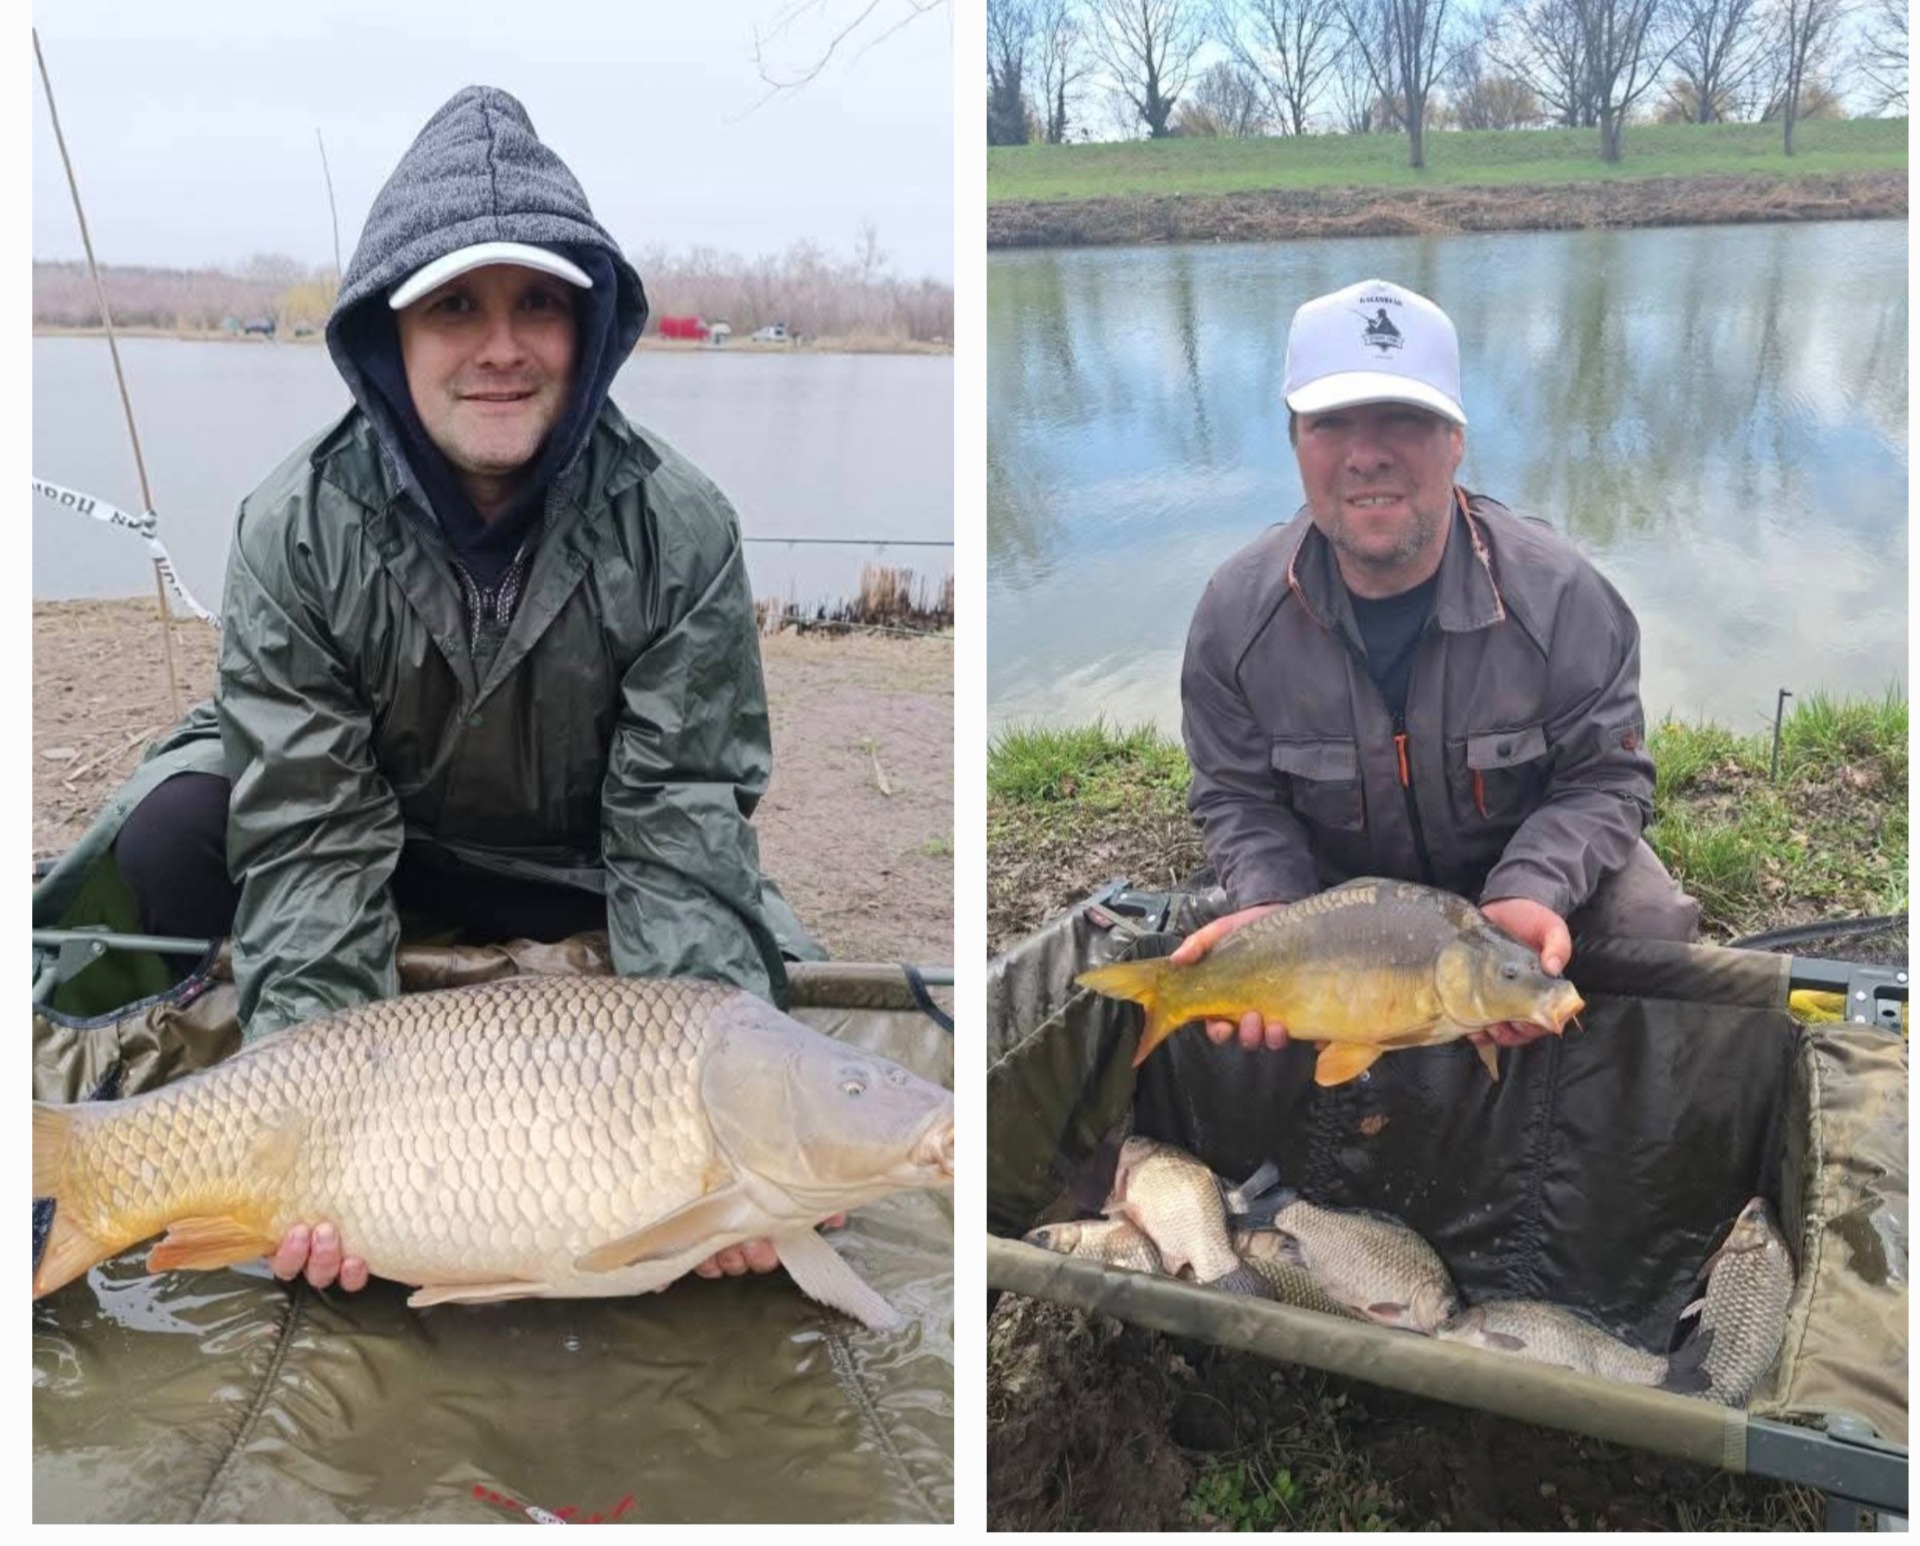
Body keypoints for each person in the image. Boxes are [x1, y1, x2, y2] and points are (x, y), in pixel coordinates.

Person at [94, 87, 824, 1289]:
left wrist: (724, 1145)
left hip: (576, 854)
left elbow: (681, 829)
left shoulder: (682, 527)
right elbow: (316, 842)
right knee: (177, 829)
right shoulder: (293, 525)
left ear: (587, 330)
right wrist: (312, 1142)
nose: (500, 347)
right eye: (455, 306)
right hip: (383, 841)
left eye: (538, 303)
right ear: (392, 336)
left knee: (711, 976)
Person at [1176, 278, 1699, 1054]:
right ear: (1294, 441)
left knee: (1652, 924)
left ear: (1456, 437)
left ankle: (1579, 1087)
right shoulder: (1234, 615)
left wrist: (1531, 890)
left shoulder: (1563, 599)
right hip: (1337, 920)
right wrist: (1273, 907)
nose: (1366, 456)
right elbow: (1235, 796)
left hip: (1512, 909)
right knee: (1221, 966)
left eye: (1404, 420)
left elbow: (1606, 779)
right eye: (1331, 424)